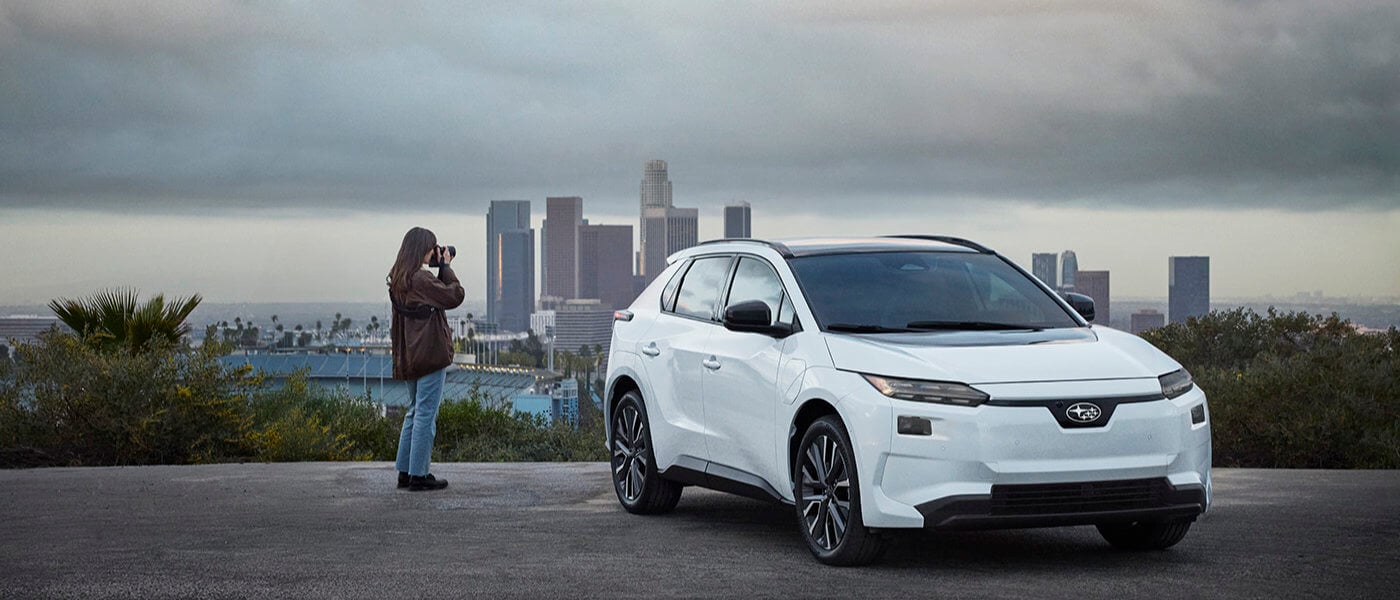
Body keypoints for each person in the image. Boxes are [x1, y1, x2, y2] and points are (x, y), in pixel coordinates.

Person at [387, 227, 465, 491]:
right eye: (432, 248)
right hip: (430, 354)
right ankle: (419, 475)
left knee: (413, 412)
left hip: (410, 355)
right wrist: (446, 267)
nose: (434, 252)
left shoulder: (399, 279)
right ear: (422, 249)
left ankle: (405, 471)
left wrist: (438, 266)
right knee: (425, 415)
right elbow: (455, 295)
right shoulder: (420, 279)